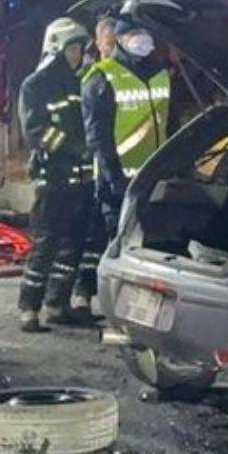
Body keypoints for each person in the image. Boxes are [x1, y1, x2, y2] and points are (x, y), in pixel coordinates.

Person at [79, 17, 172, 301]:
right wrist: (113, 178)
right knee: (116, 244)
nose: (142, 38)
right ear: (119, 39)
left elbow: (171, 122)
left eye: (144, 31)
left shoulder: (160, 73)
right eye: (133, 33)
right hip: (117, 179)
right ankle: (109, 304)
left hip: (154, 176)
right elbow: (98, 136)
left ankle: (140, 306)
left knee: (150, 247)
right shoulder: (102, 76)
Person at [16, 18, 94, 332]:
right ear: (57, 47)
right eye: (73, 48)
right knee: (46, 244)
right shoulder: (35, 85)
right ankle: (29, 308)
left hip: (81, 179)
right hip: (54, 178)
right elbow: (35, 131)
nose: (78, 55)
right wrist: (75, 148)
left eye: (80, 49)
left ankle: (56, 304)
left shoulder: (81, 82)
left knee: (73, 245)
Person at [70, 15, 125, 315]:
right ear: (99, 39)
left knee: (109, 234)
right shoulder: (91, 74)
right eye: (108, 40)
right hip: (93, 168)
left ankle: (99, 295)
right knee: (91, 235)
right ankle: (82, 291)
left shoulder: (123, 74)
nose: (112, 46)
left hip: (115, 169)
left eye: (115, 40)